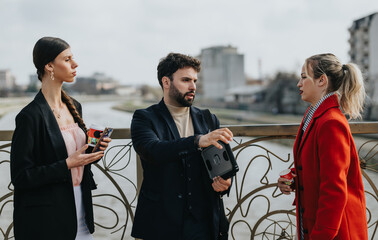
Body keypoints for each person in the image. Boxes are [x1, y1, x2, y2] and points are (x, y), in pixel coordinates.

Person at [10, 37, 111, 240]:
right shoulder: (29, 116)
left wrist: (94, 151)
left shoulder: (74, 105)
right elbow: (21, 177)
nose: (75, 64)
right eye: (67, 59)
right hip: (47, 218)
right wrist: (67, 164)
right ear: (49, 66)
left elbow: (77, 159)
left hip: (81, 210)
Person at [131, 53, 233, 240]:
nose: (193, 86)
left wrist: (226, 183)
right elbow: (153, 151)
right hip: (162, 223)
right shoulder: (144, 118)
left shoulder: (209, 118)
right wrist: (197, 141)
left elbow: (223, 164)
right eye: (186, 80)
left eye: (194, 80)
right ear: (166, 82)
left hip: (205, 223)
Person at [277, 53, 368, 240]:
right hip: (317, 226)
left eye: (304, 77)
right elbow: (318, 167)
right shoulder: (316, 115)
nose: (298, 84)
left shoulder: (330, 122)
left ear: (322, 81)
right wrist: (294, 179)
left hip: (335, 232)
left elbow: (334, 190)